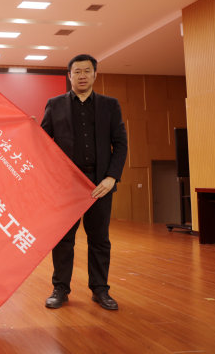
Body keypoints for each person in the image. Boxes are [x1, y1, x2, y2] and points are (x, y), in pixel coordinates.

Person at [40, 54, 127, 310]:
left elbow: (120, 143)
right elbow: (43, 143)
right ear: (69, 75)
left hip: (100, 184)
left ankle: (100, 290)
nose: (82, 76)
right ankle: (60, 289)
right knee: (63, 239)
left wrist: (112, 177)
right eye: (77, 71)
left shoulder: (110, 105)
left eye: (87, 71)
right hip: (67, 184)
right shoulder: (55, 104)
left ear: (95, 74)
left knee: (99, 239)